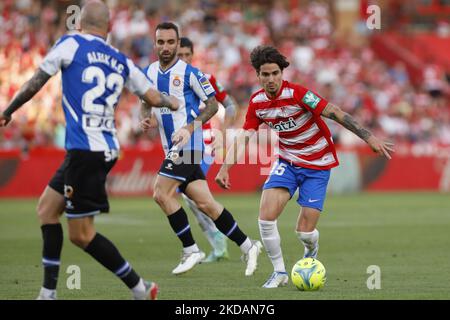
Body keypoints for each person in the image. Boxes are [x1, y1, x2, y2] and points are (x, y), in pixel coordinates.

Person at [0, 0, 179, 300]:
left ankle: (140, 288)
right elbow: (151, 95)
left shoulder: (71, 43)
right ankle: (48, 293)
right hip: (97, 149)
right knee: (46, 210)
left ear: (80, 24)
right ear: (108, 28)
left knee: (81, 235)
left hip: (87, 151)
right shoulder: (120, 59)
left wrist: (9, 110)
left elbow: (36, 81)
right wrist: (172, 102)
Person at [215, 46, 394, 288]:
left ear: (282, 73)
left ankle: (311, 249)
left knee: (304, 232)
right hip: (288, 162)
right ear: (257, 75)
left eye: (275, 73)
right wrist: (226, 167)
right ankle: (279, 272)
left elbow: (335, 113)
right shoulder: (257, 103)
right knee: (266, 216)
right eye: (265, 74)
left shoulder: (299, 94)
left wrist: (369, 137)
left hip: (318, 165)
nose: (271, 79)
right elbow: (245, 136)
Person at [140, 22, 262, 276]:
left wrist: (190, 127)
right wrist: (146, 117)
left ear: (178, 43)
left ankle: (190, 249)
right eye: (160, 42)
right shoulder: (149, 72)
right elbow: (146, 99)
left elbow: (212, 105)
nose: (165, 47)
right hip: (171, 147)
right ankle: (249, 245)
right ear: (155, 44)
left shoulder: (190, 73)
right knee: (207, 204)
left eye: (170, 42)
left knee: (161, 194)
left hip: (188, 146)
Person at [176, 36, 240, 263]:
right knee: (188, 197)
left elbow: (230, 104)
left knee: (192, 196)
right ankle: (221, 240)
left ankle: (220, 241)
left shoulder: (205, 78)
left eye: (186, 55)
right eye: (179, 55)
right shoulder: (168, 80)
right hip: (181, 145)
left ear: (192, 56)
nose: (183, 59)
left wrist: (222, 132)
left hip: (203, 144)